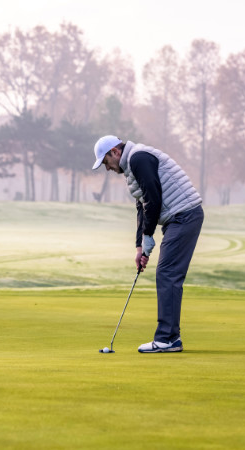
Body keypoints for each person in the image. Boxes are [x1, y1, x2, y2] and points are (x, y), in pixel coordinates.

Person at [92, 135, 203, 353]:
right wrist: (140, 246)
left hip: (185, 215)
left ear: (115, 152)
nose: (107, 168)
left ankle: (168, 339)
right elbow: (143, 206)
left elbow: (154, 197)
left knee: (167, 273)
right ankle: (170, 337)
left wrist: (149, 235)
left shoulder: (138, 158)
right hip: (178, 218)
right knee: (167, 273)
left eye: (106, 162)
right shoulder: (132, 167)